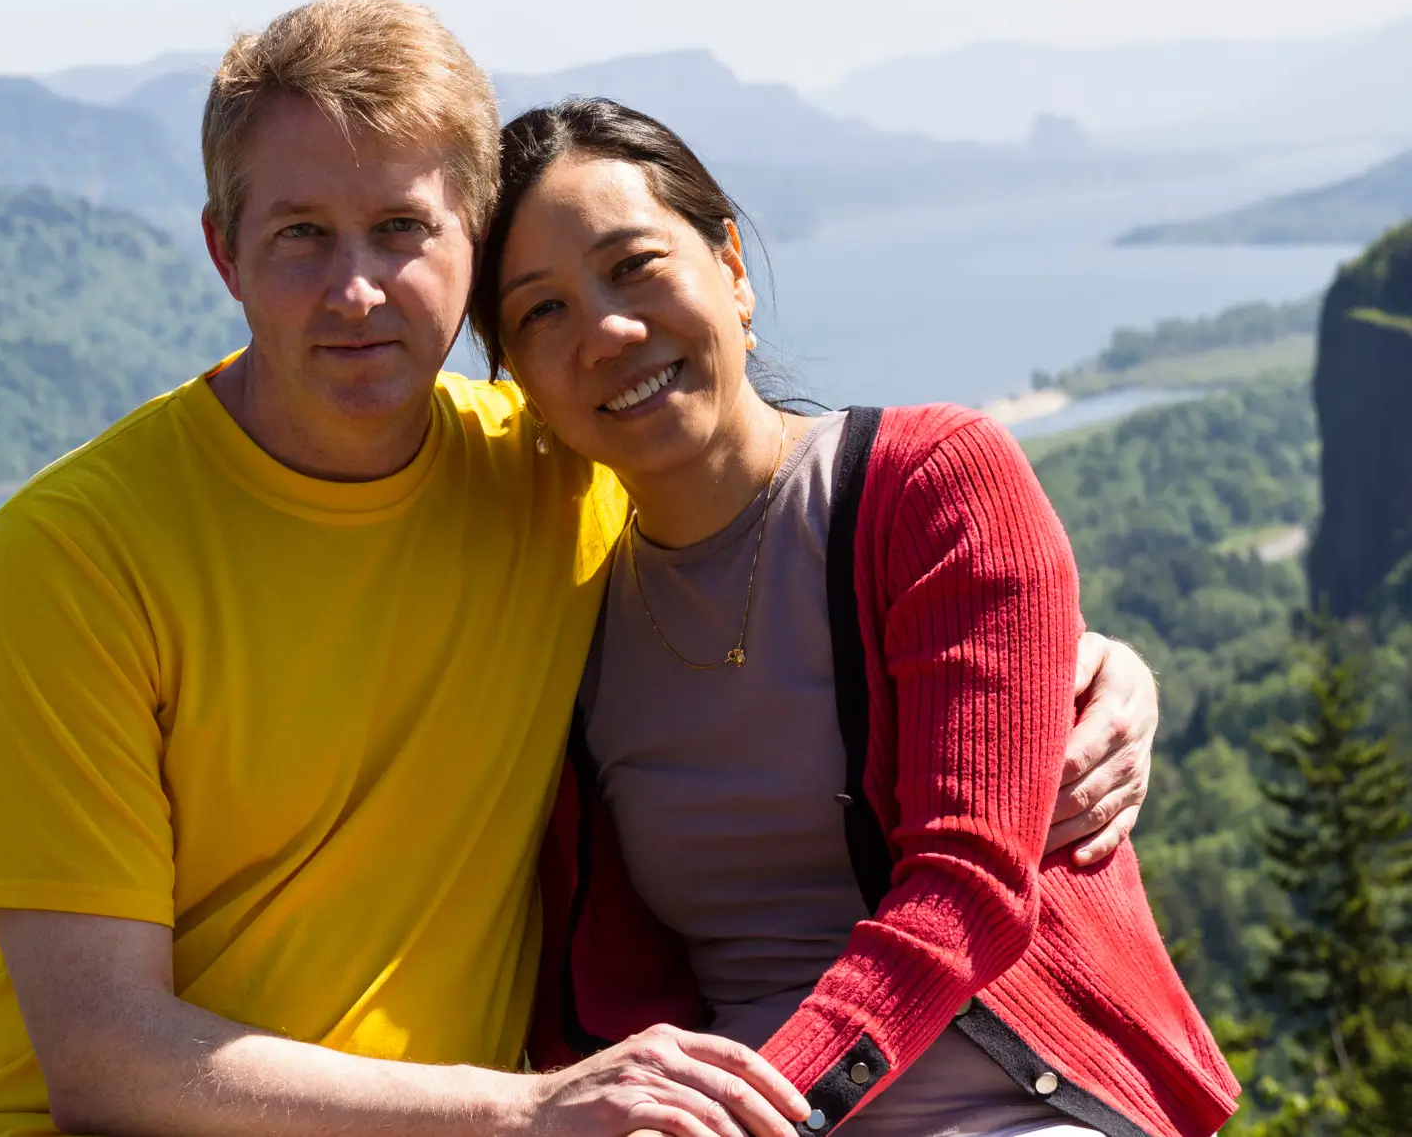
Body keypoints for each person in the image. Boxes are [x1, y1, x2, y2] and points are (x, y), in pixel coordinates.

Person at [0, 0, 1161, 1137]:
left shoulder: (553, 468)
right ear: (223, 252)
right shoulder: (78, 553)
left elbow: (828, 561)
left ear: (465, 244)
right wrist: (521, 1113)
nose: (355, 289)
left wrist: (1090, 667)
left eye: (403, 228)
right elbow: (98, 1054)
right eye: (302, 234)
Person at [466, 98, 1240, 1137]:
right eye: (540, 311)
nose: (604, 331)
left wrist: (764, 1115)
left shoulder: (926, 484)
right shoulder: (566, 621)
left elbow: (966, 888)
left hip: (1001, 1108)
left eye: (633, 265)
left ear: (730, 268)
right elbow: (601, 993)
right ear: (515, 377)